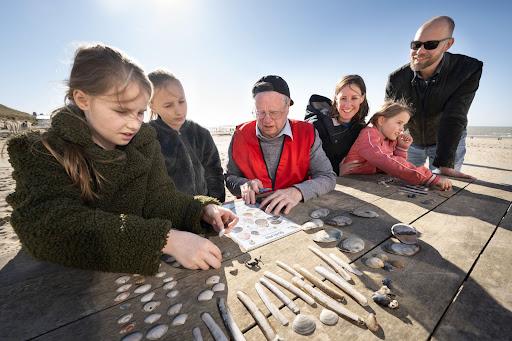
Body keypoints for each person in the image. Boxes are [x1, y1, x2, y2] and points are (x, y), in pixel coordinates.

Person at [6, 44, 237, 275]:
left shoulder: (144, 144)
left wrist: (201, 210)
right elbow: (48, 225)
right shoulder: (42, 151)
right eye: (121, 111)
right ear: (83, 99)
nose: (134, 124)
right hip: (60, 284)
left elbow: (160, 199)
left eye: (139, 113)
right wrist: (166, 240)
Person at [385, 15, 483, 179]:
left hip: (448, 141)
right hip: (410, 141)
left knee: (442, 190)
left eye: (430, 45)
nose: (420, 51)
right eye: (416, 45)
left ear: (448, 44)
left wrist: (445, 164)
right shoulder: (396, 79)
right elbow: (389, 118)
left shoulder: (468, 69)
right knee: (404, 183)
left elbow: (455, 114)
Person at [225, 75, 336, 215]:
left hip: (298, 213)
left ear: (288, 106)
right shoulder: (239, 135)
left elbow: (327, 177)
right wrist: (243, 184)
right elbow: (229, 177)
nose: (267, 121)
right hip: (253, 215)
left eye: (274, 113)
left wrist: (298, 191)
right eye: (260, 112)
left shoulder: (307, 133)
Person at [148, 70, 225, 202]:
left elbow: (214, 171)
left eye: (181, 101)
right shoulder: (147, 138)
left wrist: (215, 203)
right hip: (172, 219)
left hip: (209, 213)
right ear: (152, 106)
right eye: (168, 105)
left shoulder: (201, 134)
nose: (178, 110)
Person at [342, 100, 452, 190]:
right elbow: (387, 161)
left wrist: (401, 148)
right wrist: (427, 177)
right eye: (399, 123)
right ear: (381, 120)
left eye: (404, 125)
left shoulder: (388, 138)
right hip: (349, 184)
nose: (402, 129)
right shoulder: (368, 135)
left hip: (367, 182)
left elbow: (395, 162)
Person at [305, 75, 369, 176]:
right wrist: (337, 170)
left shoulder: (361, 128)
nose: (348, 105)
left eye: (354, 98)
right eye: (343, 98)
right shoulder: (316, 125)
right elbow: (306, 164)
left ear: (362, 98)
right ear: (336, 98)